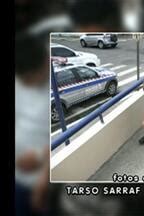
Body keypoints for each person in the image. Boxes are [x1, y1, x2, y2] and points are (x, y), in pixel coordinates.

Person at [15, 33, 50, 216]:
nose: (26, 83)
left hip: (39, 181)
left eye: (30, 77)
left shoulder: (50, 90)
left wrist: (38, 158)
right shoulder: (20, 79)